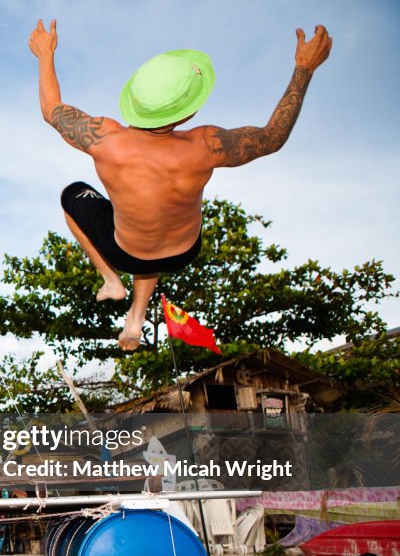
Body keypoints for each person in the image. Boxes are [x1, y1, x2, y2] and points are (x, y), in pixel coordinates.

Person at [29, 20, 332, 350]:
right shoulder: (206, 144)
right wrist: (304, 68)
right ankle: (136, 315)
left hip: (127, 254)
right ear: (186, 113)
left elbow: (51, 109)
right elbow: (273, 136)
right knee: (157, 218)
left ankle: (111, 279)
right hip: (185, 251)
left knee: (70, 194)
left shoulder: (105, 139)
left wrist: (46, 53)